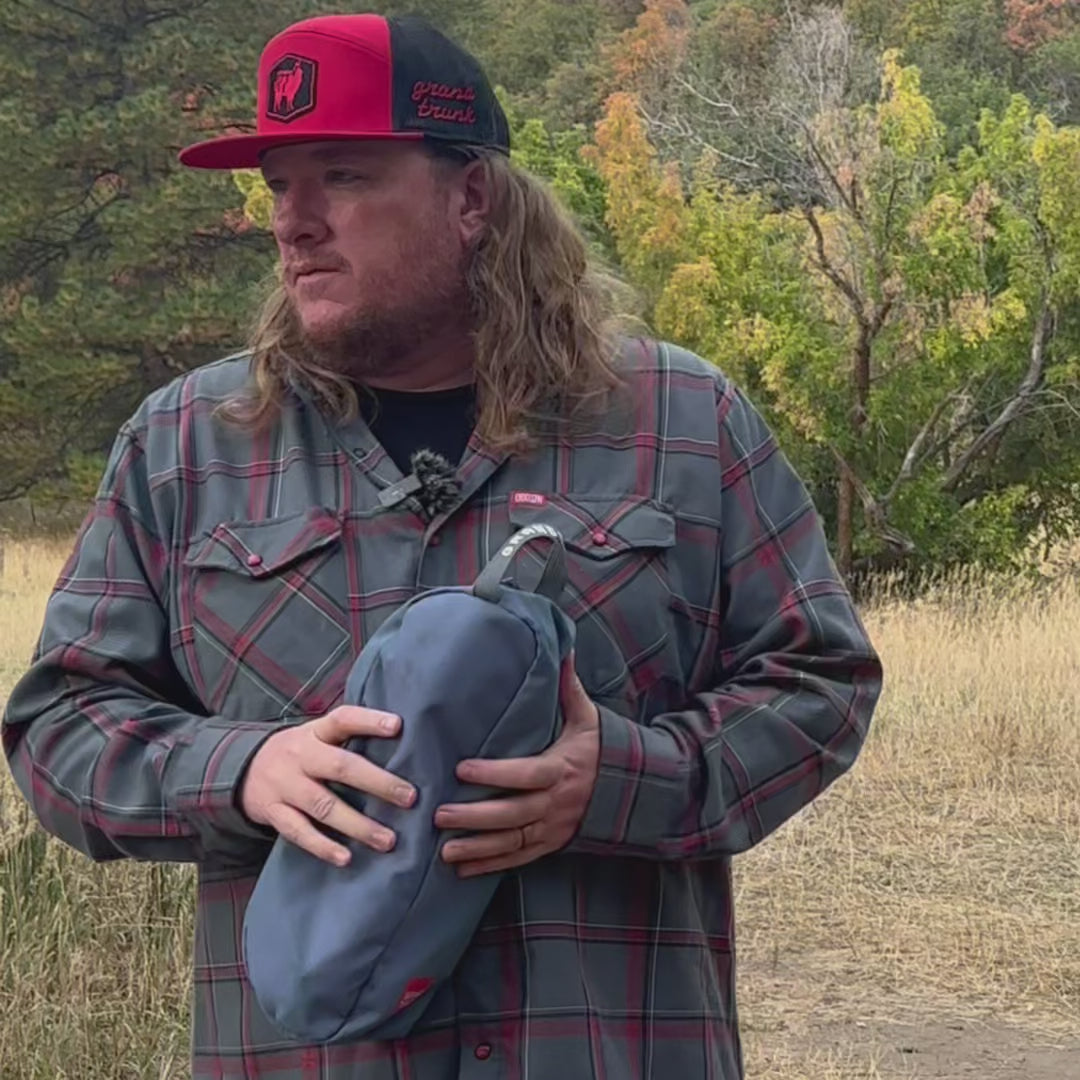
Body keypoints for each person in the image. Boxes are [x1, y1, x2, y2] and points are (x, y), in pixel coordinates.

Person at [1, 12, 883, 1080]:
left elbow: (820, 681)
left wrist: (625, 780)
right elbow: (59, 726)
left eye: (343, 176)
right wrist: (241, 771)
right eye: (279, 186)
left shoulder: (681, 422)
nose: (295, 223)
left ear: (471, 199)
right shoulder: (186, 446)